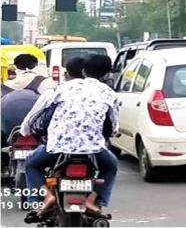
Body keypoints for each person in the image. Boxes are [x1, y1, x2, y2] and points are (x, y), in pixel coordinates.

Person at [25, 55, 120, 219]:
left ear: (83, 71)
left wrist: (26, 132)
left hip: (57, 147)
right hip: (93, 149)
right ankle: (92, 200)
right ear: (107, 74)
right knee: (111, 166)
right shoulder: (110, 94)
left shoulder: (61, 89)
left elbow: (34, 116)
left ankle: (46, 196)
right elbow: (114, 127)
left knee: (31, 164)